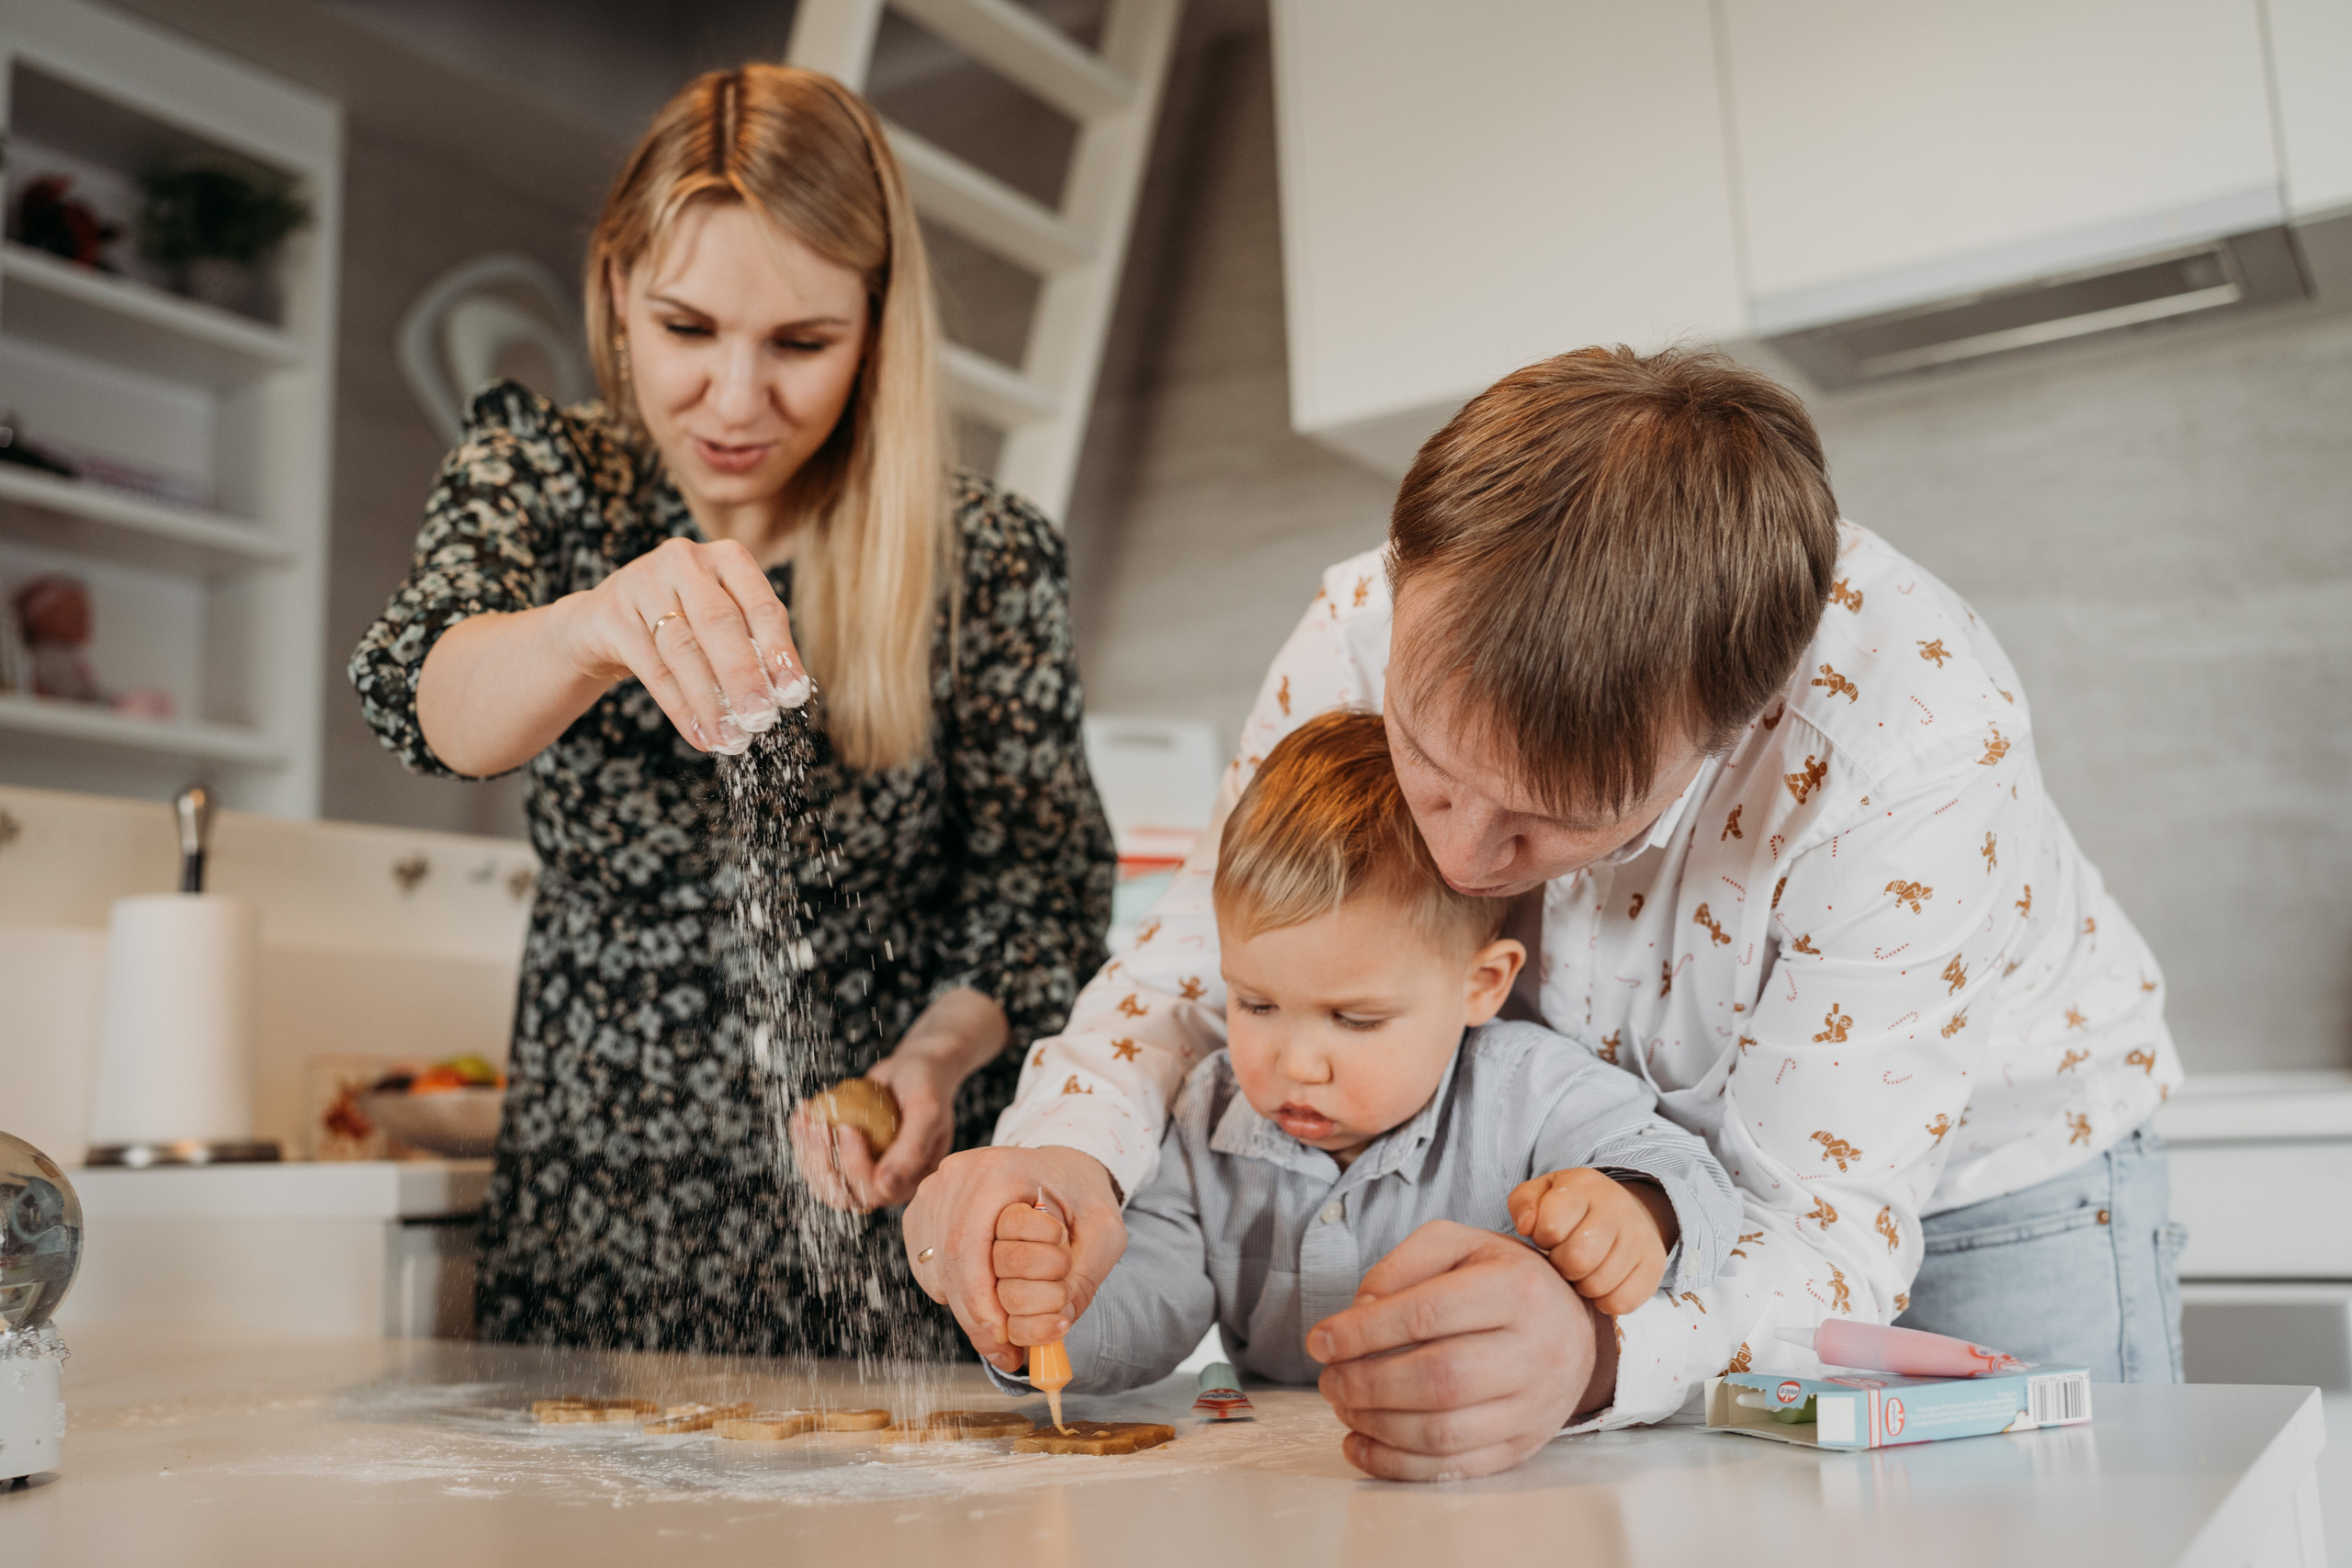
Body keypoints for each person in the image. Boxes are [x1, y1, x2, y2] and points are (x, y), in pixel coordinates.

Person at [905, 346, 2182, 1477]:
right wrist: (1061, 1159)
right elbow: (1198, 964)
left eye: (1541, 819)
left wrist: (1589, 1355)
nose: (1460, 859)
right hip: (1589, 1206)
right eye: (1426, 760)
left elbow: (1822, 1233)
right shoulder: (1363, 621)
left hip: (1978, 1190)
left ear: (1722, 731)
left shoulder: (1906, 739)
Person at [350, 64, 1114, 1355]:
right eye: (688, 329)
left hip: (890, 1218)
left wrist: (928, 1063)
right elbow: (431, 697)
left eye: (802, 343)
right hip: (598, 1215)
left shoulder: (980, 554)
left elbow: (1039, 889)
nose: (739, 400)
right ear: (616, 298)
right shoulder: (548, 478)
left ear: (878, 326)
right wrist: (590, 626)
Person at [974, 713, 1741, 1461]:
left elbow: (1694, 1173)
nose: (1297, 1064)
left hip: (1486, 1483)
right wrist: (1053, 1308)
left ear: (1481, 984)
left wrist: (1639, 1206)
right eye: (1257, 1004)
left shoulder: (1528, 1087)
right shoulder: (1204, 1109)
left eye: (1355, 1018)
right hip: (1283, 1488)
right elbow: (1158, 1298)